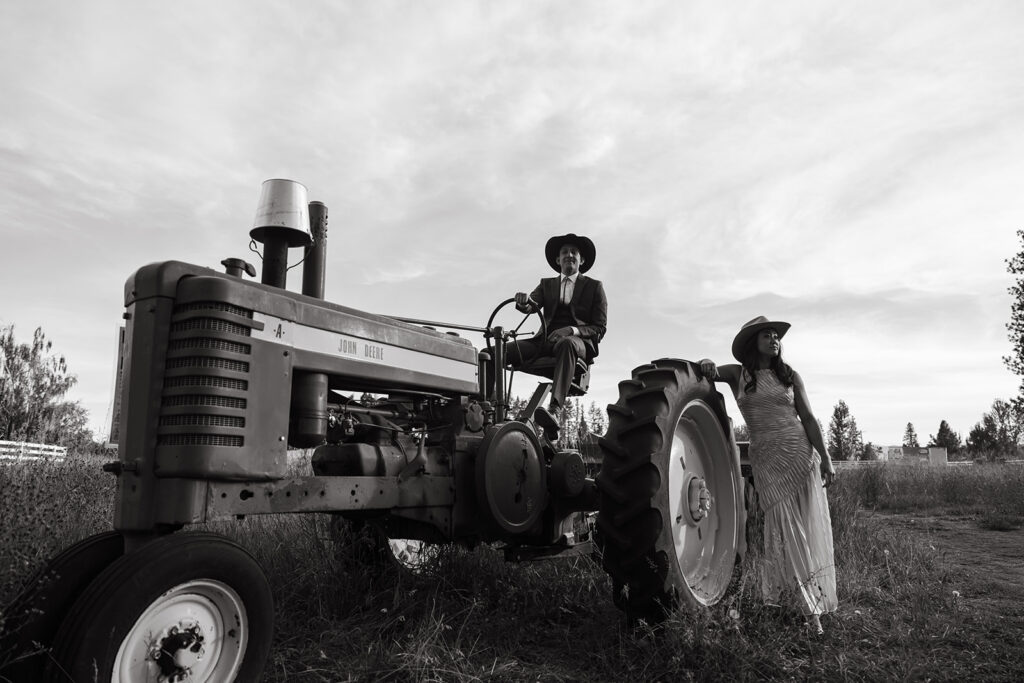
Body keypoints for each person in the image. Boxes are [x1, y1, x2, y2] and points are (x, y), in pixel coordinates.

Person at [699, 316, 837, 634]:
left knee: (802, 529)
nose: (774, 339)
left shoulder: (790, 376)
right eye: (766, 335)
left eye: (776, 336)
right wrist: (706, 363)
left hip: (800, 454)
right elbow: (709, 371)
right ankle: (800, 600)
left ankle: (811, 610)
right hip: (767, 460)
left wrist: (826, 458)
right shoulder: (740, 374)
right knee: (784, 530)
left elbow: (810, 418)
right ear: (752, 342)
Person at [511, 233, 608, 416]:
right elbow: (531, 305)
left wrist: (571, 330)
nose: (569, 255)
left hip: (576, 343)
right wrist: (523, 302)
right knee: (493, 352)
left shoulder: (594, 287)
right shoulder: (546, 284)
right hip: (544, 342)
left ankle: (554, 409)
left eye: (574, 252)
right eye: (564, 252)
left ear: (582, 259)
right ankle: (487, 406)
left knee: (566, 343)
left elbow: (599, 328)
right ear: (558, 259)